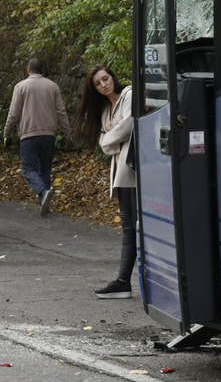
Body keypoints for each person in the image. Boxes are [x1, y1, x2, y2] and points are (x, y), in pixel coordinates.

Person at [72, 64, 136, 299]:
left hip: (135, 172)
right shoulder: (105, 112)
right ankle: (123, 282)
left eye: (106, 79)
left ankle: (124, 281)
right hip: (121, 173)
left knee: (136, 228)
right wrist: (115, 137)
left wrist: (113, 137)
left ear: (113, 76)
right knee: (129, 228)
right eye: (98, 83)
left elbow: (129, 125)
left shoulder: (129, 94)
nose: (103, 85)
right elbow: (104, 145)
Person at [3, 56, 72, 216]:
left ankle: (42, 192)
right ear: (43, 70)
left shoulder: (21, 86)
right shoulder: (53, 86)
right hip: (49, 135)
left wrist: (7, 133)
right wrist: (68, 133)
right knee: (45, 169)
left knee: (28, 169)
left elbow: (13, 113)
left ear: (28, 69)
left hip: (28, 134)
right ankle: (43, 203)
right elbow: (61, 112)